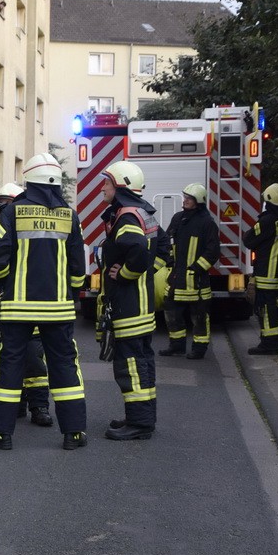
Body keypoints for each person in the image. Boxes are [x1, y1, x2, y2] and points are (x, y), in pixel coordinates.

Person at [0, 154, 87, 450]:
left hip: (17, 307)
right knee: (65, 366)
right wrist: (71, 295)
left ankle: (1, 435)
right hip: (59, 308)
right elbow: (78, 267)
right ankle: (74, 433)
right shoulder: (69, 215)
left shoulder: (12, 212)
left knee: (10, 365)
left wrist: (2, 287)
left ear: (29, 180)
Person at [97, 161, 171, 441]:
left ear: (120, 186)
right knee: (142, 363)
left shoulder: (126, 216)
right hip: (142, 305)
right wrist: (148, 272)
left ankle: (139, 424)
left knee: (129, 365)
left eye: (107, 183)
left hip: (130, 305)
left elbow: (138, 250)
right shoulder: (143, 213)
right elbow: (163, 247)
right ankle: (141, 417)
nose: (103, 187)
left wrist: (126, 274)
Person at [0, 182, 53, 427]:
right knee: (10, 360)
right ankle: (17, 405)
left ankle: (39, 407)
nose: (3, 206)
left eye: (8, 202)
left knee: (34, 363)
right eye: (0, 203)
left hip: (29, 306)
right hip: (6, 308)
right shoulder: (1, 227)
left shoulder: (26, 230)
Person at [158, 183, 220, 360]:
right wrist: (170, 261)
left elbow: (213, 251)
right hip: (177, 278)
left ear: (198, 201)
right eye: (185, 197)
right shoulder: (178, 218)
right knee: (171, 311)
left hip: (197, 281)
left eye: (189, 198)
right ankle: (176, 346)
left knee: (199, 316)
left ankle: (199, 349)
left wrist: (196, 268)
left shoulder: (207, 223)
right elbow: (168, 240)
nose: (184, 200)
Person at [243, 183, 278, 355]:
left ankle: (269, 343)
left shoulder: (267, 221)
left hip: (266, 272)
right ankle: (270, 340)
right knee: (271, 306)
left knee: (265, 308)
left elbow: (248, 240)